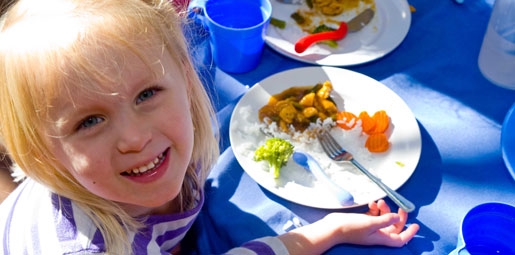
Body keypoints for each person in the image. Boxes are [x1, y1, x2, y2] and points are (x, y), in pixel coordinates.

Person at [0, 0, 419, 254]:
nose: (135, 137)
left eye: (146, 94)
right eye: (89, 121)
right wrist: (324, 235)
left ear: (186, 76)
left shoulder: (173, 142)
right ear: (40, 152)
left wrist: (333, 227)